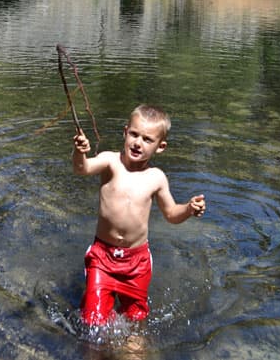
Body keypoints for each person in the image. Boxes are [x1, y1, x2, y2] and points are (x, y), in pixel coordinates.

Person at [72, 104, 206, 326]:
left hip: (137, 262)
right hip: (102, 257)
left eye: (147, 139)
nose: (137, 143)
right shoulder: (110, 162)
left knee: (135, 322)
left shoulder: (156, 178)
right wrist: (79, 152)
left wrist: (189, 208)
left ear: (160, 147)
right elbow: (81, 168)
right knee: (92, 322)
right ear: (125, 132)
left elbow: (172, 214)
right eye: (134, 134)